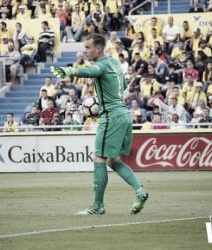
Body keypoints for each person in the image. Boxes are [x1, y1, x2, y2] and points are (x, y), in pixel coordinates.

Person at [51, 33, 148, 215]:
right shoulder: (114, 63)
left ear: (98, 48)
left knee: (99, 158)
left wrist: (72, 71)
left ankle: (97, 206)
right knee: (112, 161)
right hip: (123, 114)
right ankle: (140, 190)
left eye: (87, 47)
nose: (85, 51)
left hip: (111, 116)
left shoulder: (101, 65)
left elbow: (92, 71)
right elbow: (123, 85)